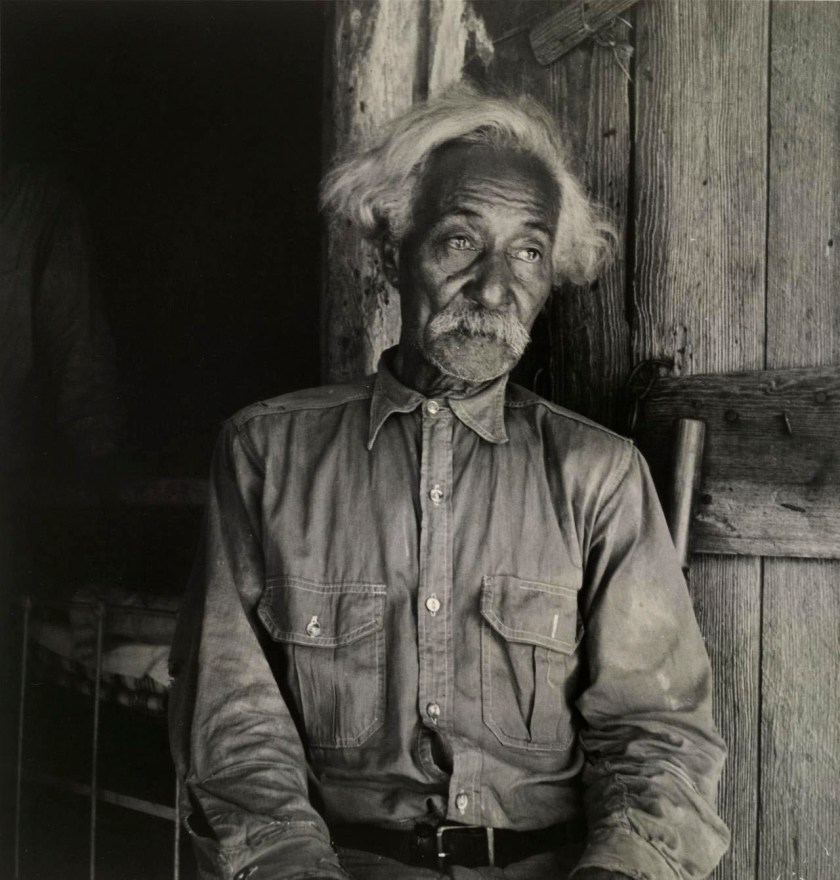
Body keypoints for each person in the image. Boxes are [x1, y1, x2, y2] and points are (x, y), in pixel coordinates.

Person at [169, 86, 730, 880]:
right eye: (459, 241)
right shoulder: (267, 453)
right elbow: (232, 722)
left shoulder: (599, 477)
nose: (495, 287)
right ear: (391, 245)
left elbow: (658, 736)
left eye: (529, 252)